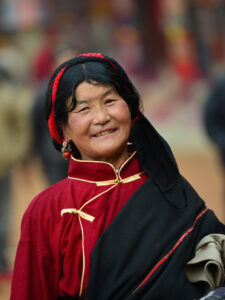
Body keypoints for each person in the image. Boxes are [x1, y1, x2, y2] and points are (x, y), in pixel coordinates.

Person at [10, 53, 225, 300]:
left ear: (131, 109)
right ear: (63, 129)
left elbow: (218, 266)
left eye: (110, 101)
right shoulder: (48, 211)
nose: (101, 117)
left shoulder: (170, 190)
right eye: (83, 109)